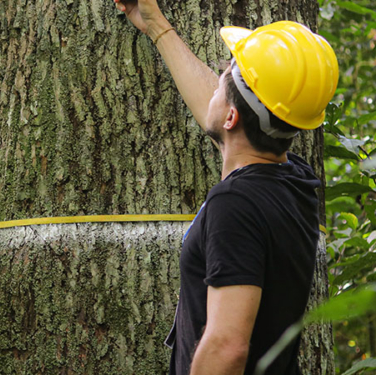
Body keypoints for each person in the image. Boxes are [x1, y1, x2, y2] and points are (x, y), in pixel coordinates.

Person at [114, 1, 338, 374]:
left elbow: (227, 346)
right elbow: (222, 119)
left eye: (223, 78)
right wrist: (156, 27)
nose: (217, 80)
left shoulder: (235, 204)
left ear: (232, 117)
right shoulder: (296, 181)